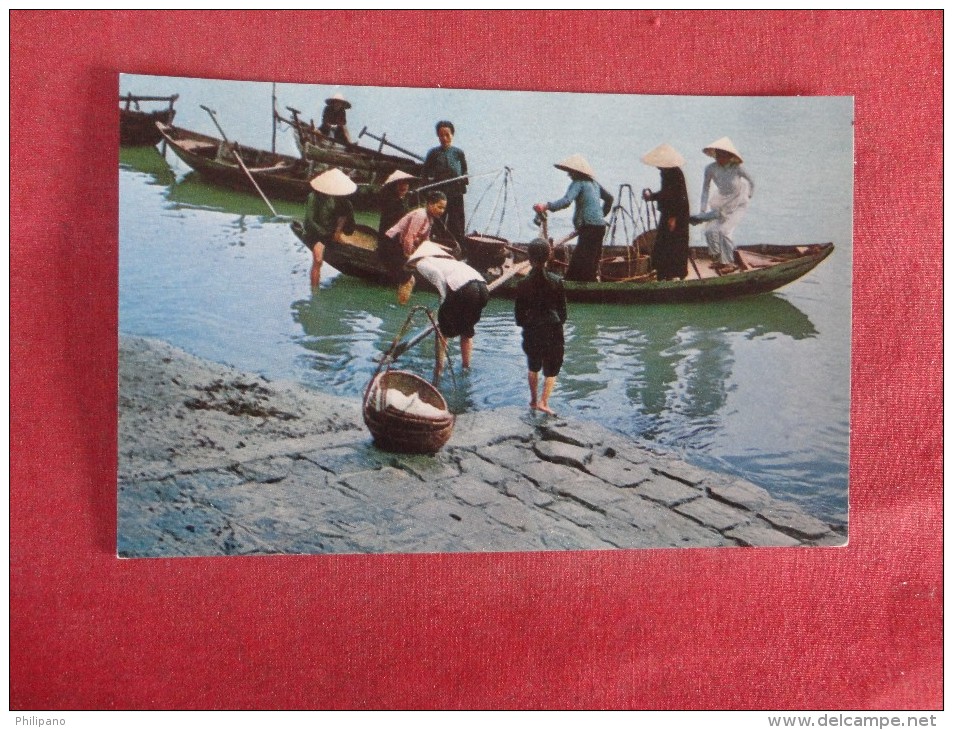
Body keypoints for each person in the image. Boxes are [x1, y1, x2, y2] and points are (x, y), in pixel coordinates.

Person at [404, 240, 488, 381]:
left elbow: (439, 279)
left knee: (442, 331)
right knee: (467, 330)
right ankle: (466, 367)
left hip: (465, 289)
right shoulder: (448, 263)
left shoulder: (422, 263)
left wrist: (443, 302)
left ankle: (438, 370)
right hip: (482, 289)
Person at [533, 154, 613, 282]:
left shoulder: (578, 183)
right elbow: (610, 199)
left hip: (589, 226)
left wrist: (547, 206)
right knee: (592, 260)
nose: (568, 174)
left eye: (570, 172)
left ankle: (571, 285)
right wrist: (600, 216)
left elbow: (566, 201)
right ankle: (587, 284)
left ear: (576, 172)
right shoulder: (594, 184)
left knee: (579, 259)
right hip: (599, 227)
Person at [515, 238, 567, 416]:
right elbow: (563, 313)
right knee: (552, 366)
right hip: (552, 327)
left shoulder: (522, 284)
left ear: (529, 257)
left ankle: (533, 400)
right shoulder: (556, 281)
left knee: (533, 364)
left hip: (532, 328)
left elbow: (519, 316)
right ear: (549, 256)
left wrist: (527, 324)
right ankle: (544, 402)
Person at [692, 136, 755, 274]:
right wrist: (702, 210)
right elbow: (705, 189)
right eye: (717, 155)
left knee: (724, 231)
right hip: (722, 203)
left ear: (730, 156)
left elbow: (751, 182)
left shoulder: (737, 168)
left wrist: (749, 194)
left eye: (723, 155)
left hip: (739, 204)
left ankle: (730, 263)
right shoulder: (710, 168)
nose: (719, 158)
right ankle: (720, 259)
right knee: (709, 232)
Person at [383, 190, 448, 302]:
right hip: (391, 243)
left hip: (400, 244)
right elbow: (409, 237)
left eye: (443, 208)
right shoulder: (420, 214)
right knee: (409, 280)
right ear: (430, 204)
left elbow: (425, 241)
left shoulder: (430, 219)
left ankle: (401, 302)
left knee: (409, 279)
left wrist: (439, 251)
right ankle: (401, 303)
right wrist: (409, 256)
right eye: (439, 207)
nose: (441, 211)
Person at [640, 143, 691, 280]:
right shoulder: (666, 172)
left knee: (674, 243)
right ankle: (663, 272)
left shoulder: (675, 173)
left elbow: (678, 196)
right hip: (669, 212)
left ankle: (675, 273)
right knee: (664, 241)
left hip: (677, 213)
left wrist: (674, 217)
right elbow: (665, 193)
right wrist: (652, 197)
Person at [302, 168, 356, 288]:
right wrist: (326, 234)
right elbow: (309, 221)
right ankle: (314, 290)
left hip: (331, 233)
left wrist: (337, 230)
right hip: (316, 233)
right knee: (318, 260)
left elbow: (349, 227)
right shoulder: (313, 196)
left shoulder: (341, 200)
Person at [421, 120, 468, 243]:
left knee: (456, 224)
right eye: (441, 135)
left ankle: (457, 248)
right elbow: (425, 174)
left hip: (456, 194)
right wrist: (428, 193)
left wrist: (463, 180)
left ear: (452, 135)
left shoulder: (458, 153)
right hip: (440, 194)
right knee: (437, 223)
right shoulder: (433, 153)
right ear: (438, 136)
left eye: (447, 135)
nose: (444, 138)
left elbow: (464, 172)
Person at [377, 169, 418, 238]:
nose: (403, 186)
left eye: (406, 183)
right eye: (400, 183)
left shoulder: (402, 200)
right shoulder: (392, 201)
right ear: (394, 186)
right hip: (390, 236)